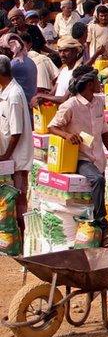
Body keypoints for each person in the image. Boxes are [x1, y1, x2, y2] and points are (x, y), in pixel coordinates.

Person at [0, 55, 33, 233]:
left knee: (18, 198)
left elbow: (16, 131)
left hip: (16, 158)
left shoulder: (13, 95)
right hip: (9, 157)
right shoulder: (5, 91)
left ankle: (21, 236)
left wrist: (5, 156)